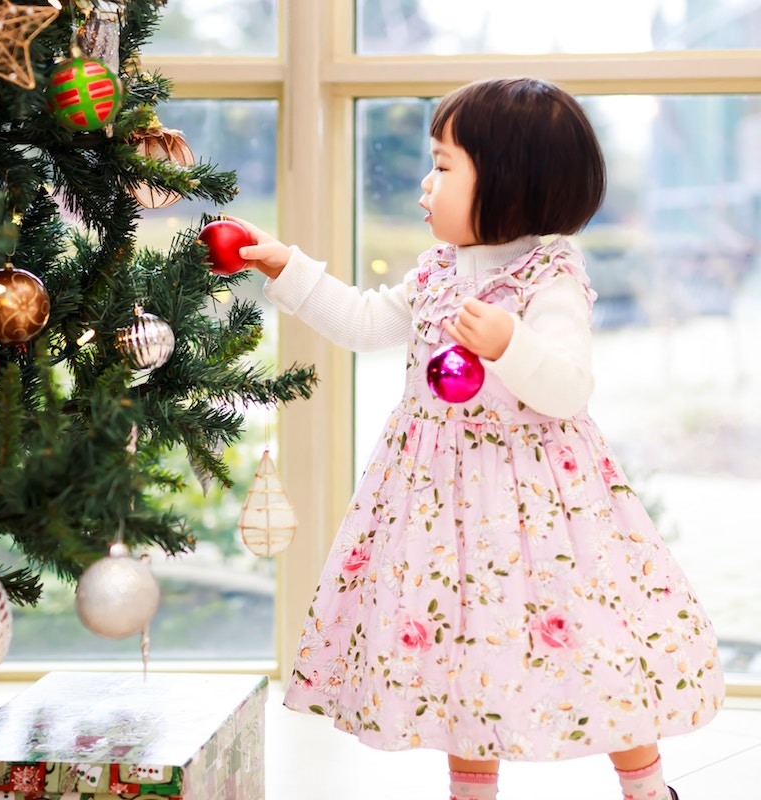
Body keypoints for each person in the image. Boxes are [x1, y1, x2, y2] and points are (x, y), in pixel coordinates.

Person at [233, 77, 725, 800]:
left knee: (597, 640)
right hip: (439, 504)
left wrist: (509, 344)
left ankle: (646, 787)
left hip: (543, 507)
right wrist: (291, 269)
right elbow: (368, 323)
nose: (426, 185)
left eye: (443, 166)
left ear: (510, 183)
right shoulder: (436, 272)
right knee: (460, 650)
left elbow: (567, 389)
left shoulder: (548, 277)